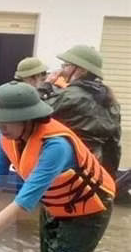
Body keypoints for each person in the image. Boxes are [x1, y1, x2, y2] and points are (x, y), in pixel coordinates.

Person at [0, 82, 115, 252]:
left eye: (6, 121)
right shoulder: (4, 137)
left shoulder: (56, 146)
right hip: (54, 203)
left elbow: (23, 205)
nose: (1, 127)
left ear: (28, 118)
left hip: (89, 209)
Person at [50, 45, 122, 178]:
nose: (61, 70)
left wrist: (47, 84)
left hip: (62, 168)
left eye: (66, 65)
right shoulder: (112, 102)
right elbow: (113, 146)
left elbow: (33, 114)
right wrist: (109, 177)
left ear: (81, 70)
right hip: (92, 170)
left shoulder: (69, 96)